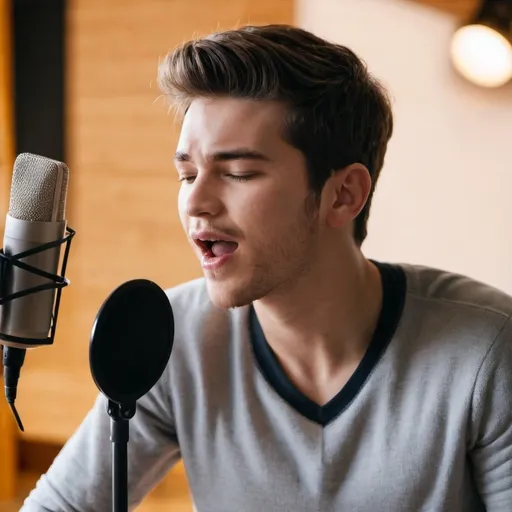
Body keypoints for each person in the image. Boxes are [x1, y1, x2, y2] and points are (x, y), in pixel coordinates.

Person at [21, 24, 511, 512]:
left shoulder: (485, 354)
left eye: (238, 173)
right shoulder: (174, 336)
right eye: (187, 174)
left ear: (343, 195)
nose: (196, 201)